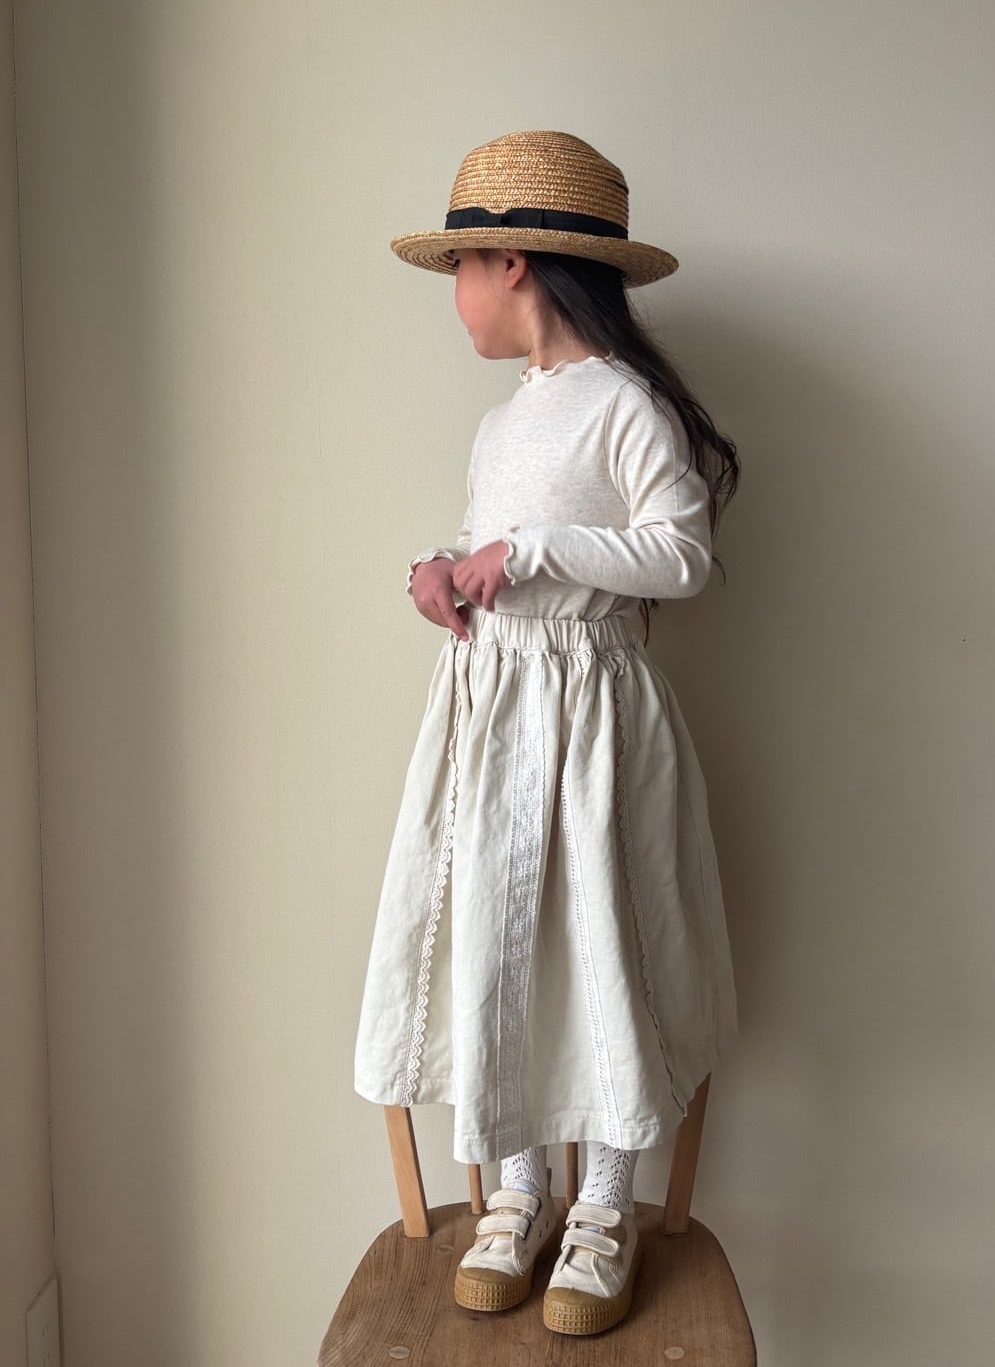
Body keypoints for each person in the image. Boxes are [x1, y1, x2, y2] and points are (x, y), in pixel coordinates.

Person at [354, 130, 740, 1335]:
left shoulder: (622, 405)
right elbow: (499, 545)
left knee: (598, 945)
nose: (455, 298)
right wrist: (442, 568)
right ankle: (519, 1190)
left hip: (591, 722)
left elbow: (680, 553)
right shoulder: (503, 421)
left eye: (459, 270)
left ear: (511, 263)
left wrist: (526, 552)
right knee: (500, 938)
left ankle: (603, 1206)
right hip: (494, 717)